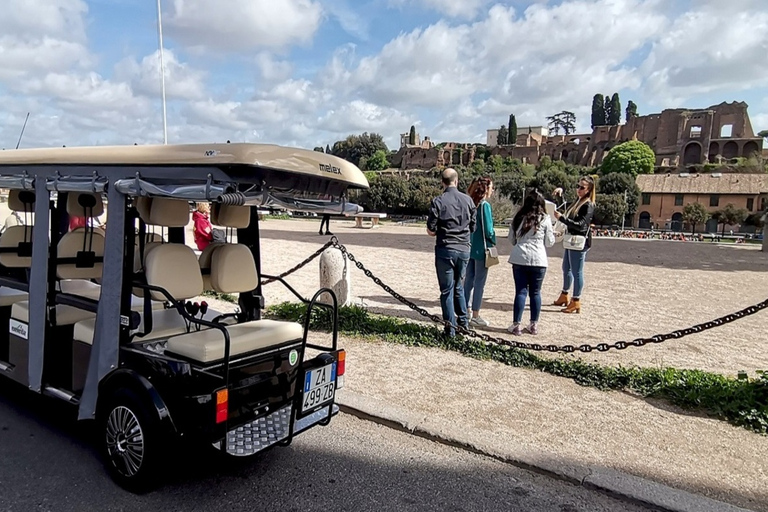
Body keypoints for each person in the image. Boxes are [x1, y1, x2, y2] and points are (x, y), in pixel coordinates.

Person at [427, 168, 476, 337]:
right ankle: (464, 322)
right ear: (457, 180)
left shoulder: (438, 201)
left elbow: (430, 230)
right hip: (463, 249)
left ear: (442, 182)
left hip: (445, 249)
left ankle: (450, 329)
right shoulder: (468, 200)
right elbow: (473, 227)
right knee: (459, 287)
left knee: (446, 290)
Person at [507, 189, 555, 335]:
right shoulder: (545, 219)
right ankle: (533, 324)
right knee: (535, 292)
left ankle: (516, 324)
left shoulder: (519, 217)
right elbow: (549, 242)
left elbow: (512, 239)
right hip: (539, 259)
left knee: (520, 291)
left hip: (520, 257)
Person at [552, 175, 596, 314]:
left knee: (577, 271)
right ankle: (565, 295)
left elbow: (581, 225)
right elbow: (567, 209)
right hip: (572, 240)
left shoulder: (588, 204)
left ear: (589, 190)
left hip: (579, 241)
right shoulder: (578, 201)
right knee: (566, 267)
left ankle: (576, 300)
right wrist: (560, 197)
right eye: (578, 186)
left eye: (582, 187)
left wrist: (562, 219)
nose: (578, 189)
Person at [464, 176, 496, 327]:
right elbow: (489, 230)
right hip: (482, 249)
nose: (492, 190)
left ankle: (465, 310)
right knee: (479, 282)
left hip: (470, 246)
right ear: (486, 189)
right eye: (491, 188)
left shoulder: (471, 203)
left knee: (468, 280)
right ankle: (476, 314)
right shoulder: (484, 206)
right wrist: (493, 240)